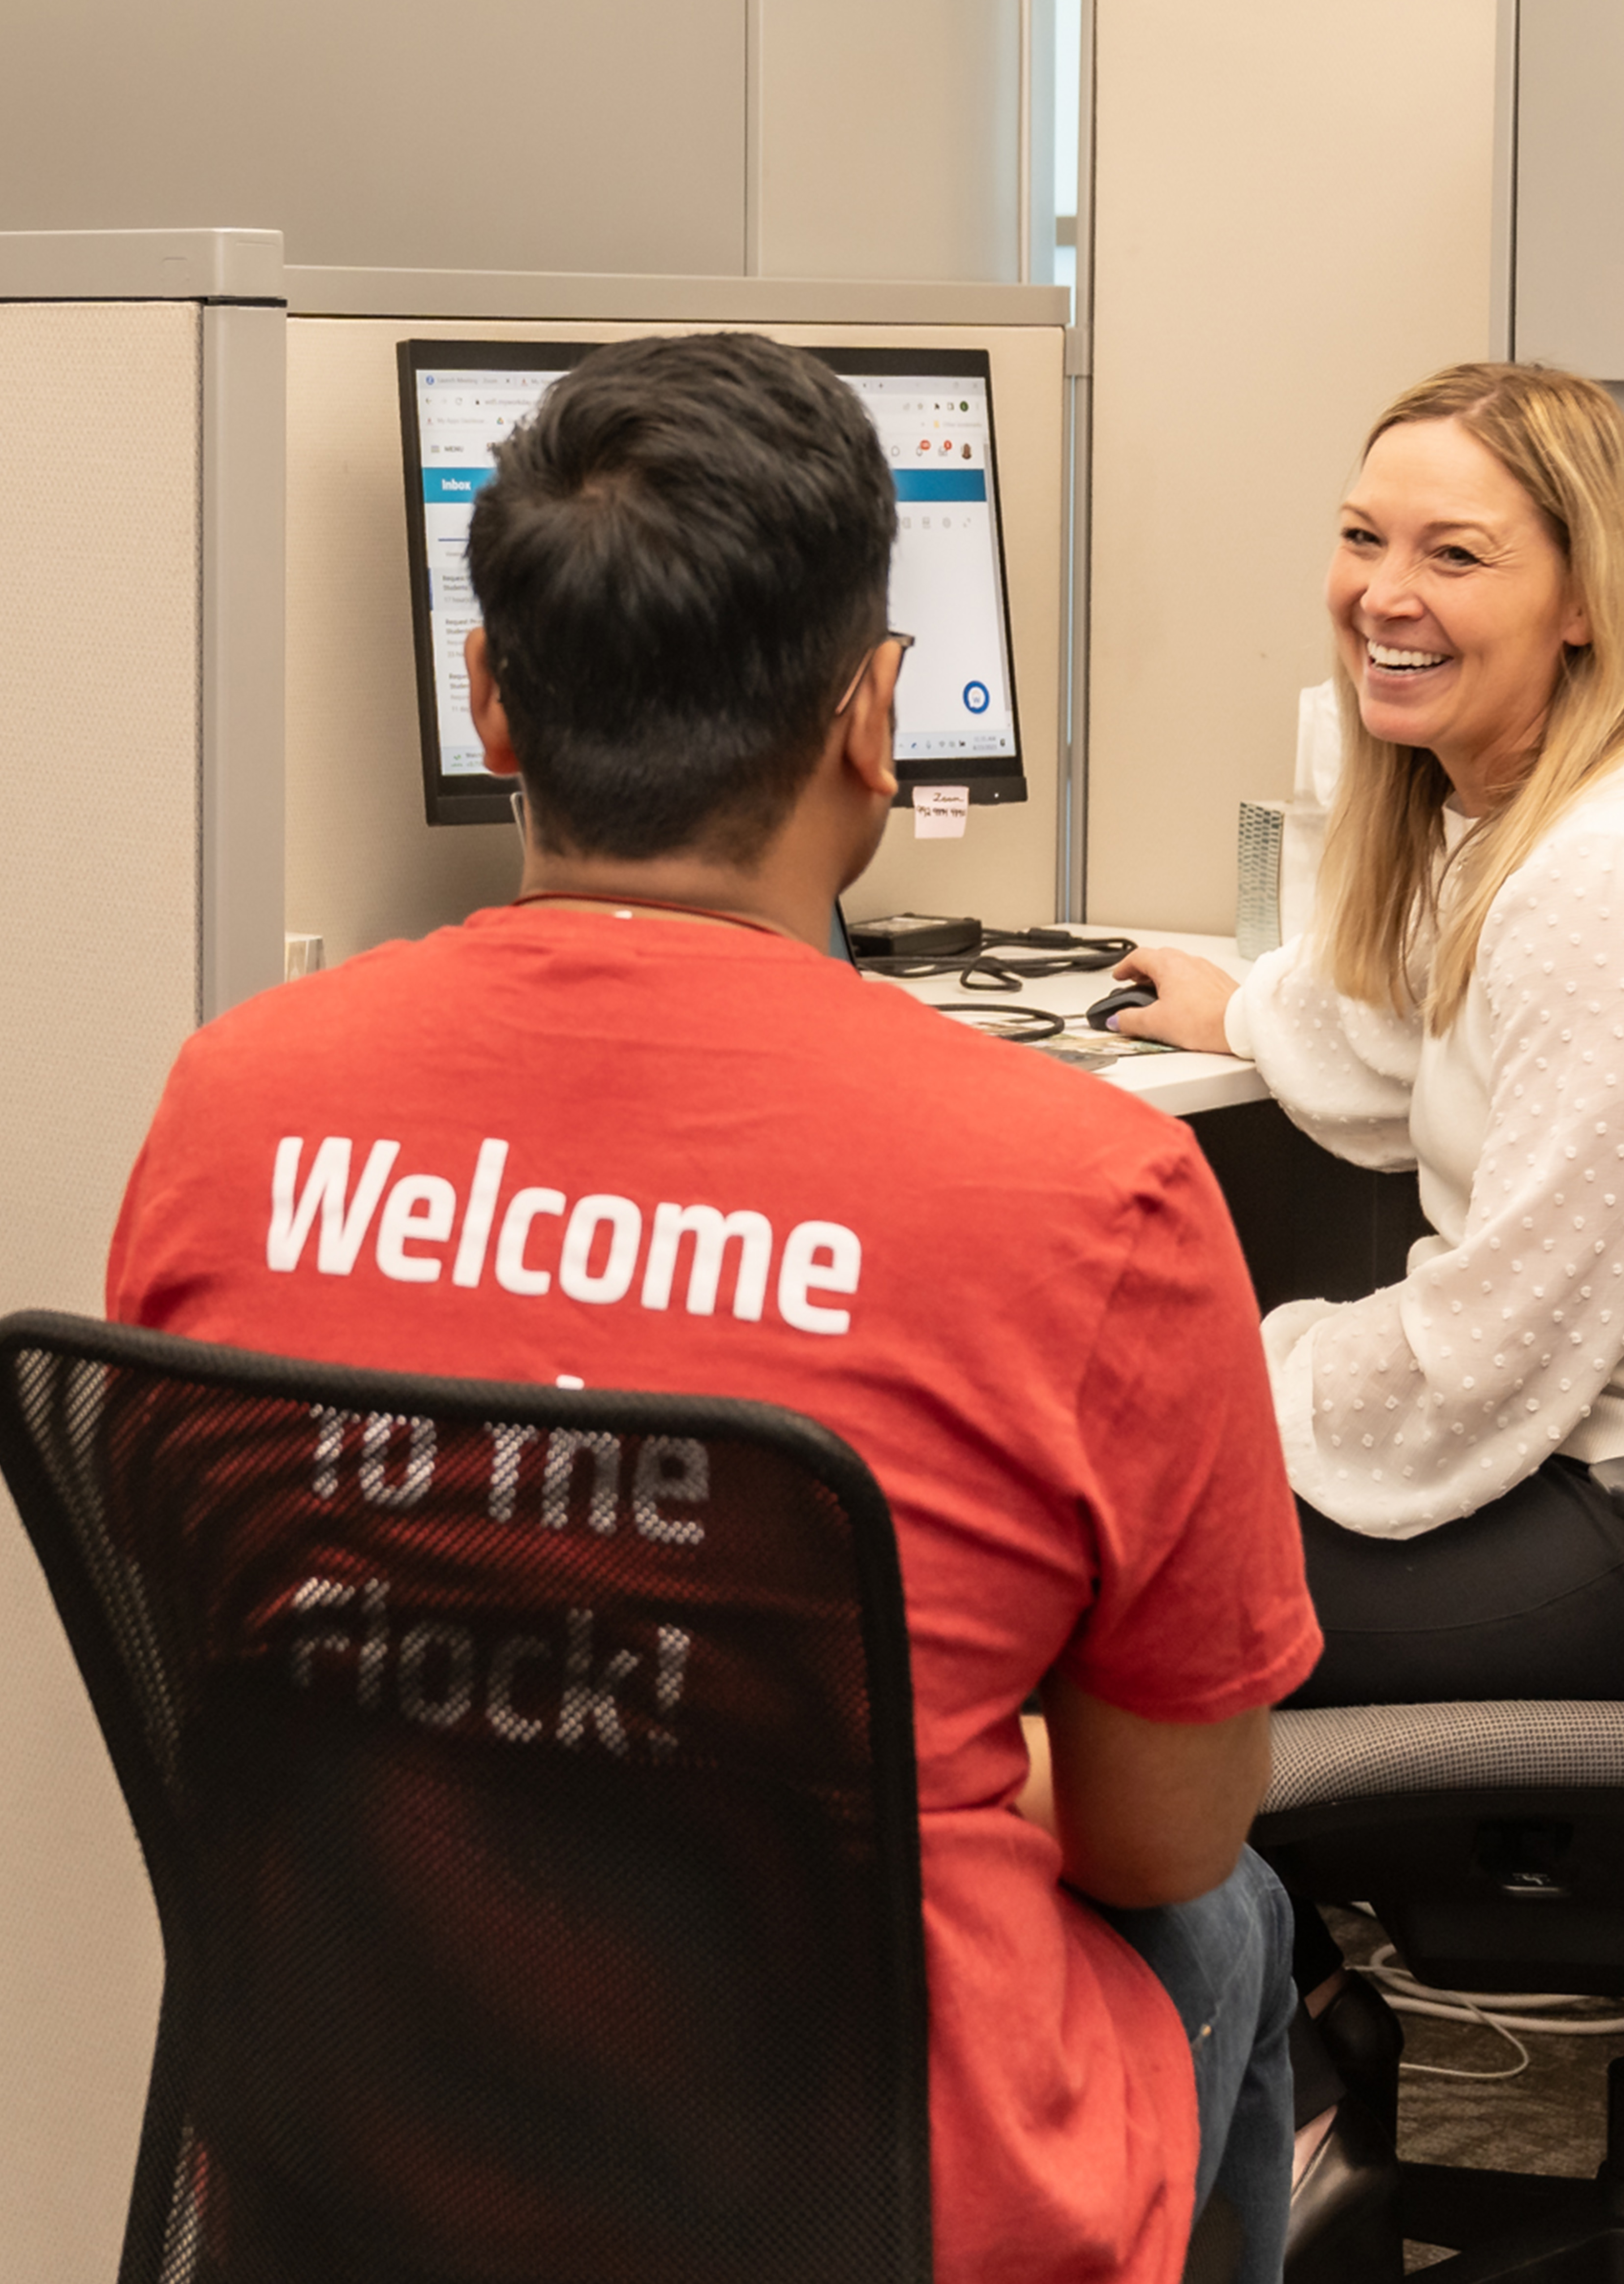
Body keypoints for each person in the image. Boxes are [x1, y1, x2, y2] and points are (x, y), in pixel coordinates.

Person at [104, 331, 1320, 2284]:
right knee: (1237, 1915)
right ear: (872, 721)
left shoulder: (231, 1102)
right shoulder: (1092, 1187)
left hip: (365, 2156)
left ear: (492, 699)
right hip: (852, 2212)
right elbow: (1161, 1837)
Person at [1110, 361, 1624, 1710]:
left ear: (1583, 601)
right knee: (1110, 1533)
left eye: (1455, 557)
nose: (1384, 594)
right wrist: (1233, 1009)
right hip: (1605, 1479)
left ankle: (1241, 1931)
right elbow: (1411, 1037)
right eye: (1364, 538)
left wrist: (1220, 1389)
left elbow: (1487, 1352)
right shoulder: (1537, 833)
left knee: (1110, 1587)